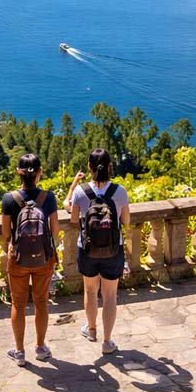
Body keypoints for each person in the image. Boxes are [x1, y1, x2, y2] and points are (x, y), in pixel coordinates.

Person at [67, 148, 131, 355]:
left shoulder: (81, 192)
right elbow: (126, 221)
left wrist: (74, 186)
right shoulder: (119, 192)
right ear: (110, 167)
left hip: (87, 249)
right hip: (113, 250)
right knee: (110, 295)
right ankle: (107, 341)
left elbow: (74, 219)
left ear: (89, 167)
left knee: (90, 290)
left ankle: (92, 329)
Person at [0, 153, 60, 366]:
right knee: (41, 302)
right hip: (44, 258)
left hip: (18, 259)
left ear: (18, 173)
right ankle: (41, 348)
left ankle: (19, 351)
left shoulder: (9, 199)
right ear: (40, 172)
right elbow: (55, 231)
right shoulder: (49, 198)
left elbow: (6, 232)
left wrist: (8, 249)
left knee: (18, 303)